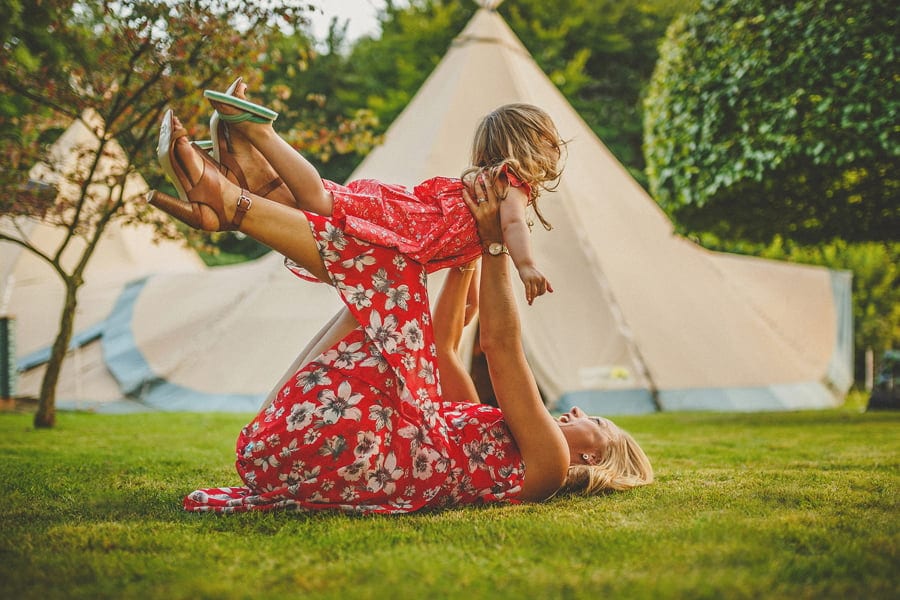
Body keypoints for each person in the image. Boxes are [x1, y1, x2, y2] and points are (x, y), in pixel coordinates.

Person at [149, 100, 653, 514]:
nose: (583, 410)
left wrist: (497, 245)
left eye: (600, 423)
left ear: (593, 455)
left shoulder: (547, 466)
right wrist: (468, 256)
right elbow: (439, 346)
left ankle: (239, 202)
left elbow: (499, 347)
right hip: (280, 450)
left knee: (392, 272)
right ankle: (240, 199)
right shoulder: (477, 429)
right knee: (390, 277)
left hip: (343, 458)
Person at [198, 78, 562, 305]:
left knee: (309, 206)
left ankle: (235, 149)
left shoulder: (489, 181)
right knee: (318, 202)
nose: (555, 149)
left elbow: (468, 245)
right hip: (411, 224)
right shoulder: (512, 183)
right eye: (550, 141)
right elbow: (512, 224)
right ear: (531, 143)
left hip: (410, 217)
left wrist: (468, 299)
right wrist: (526, 266)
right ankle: (260, 131)